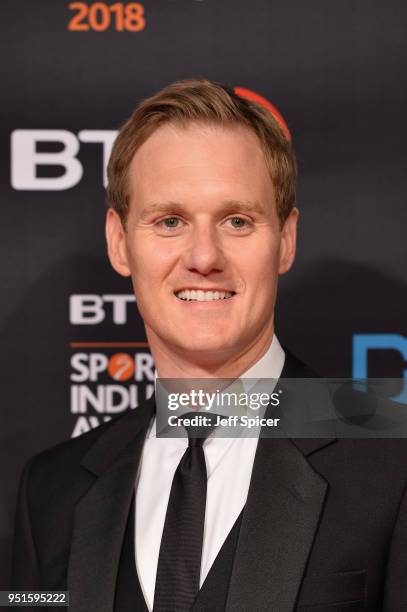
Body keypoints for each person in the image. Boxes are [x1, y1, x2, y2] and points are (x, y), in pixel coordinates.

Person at [11, 79, 407, 611]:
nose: (204, 256)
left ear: (285, 241)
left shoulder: (392, 456)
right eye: (170, 221)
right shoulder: (51, 490)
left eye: (237, 220)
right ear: (118, 241)